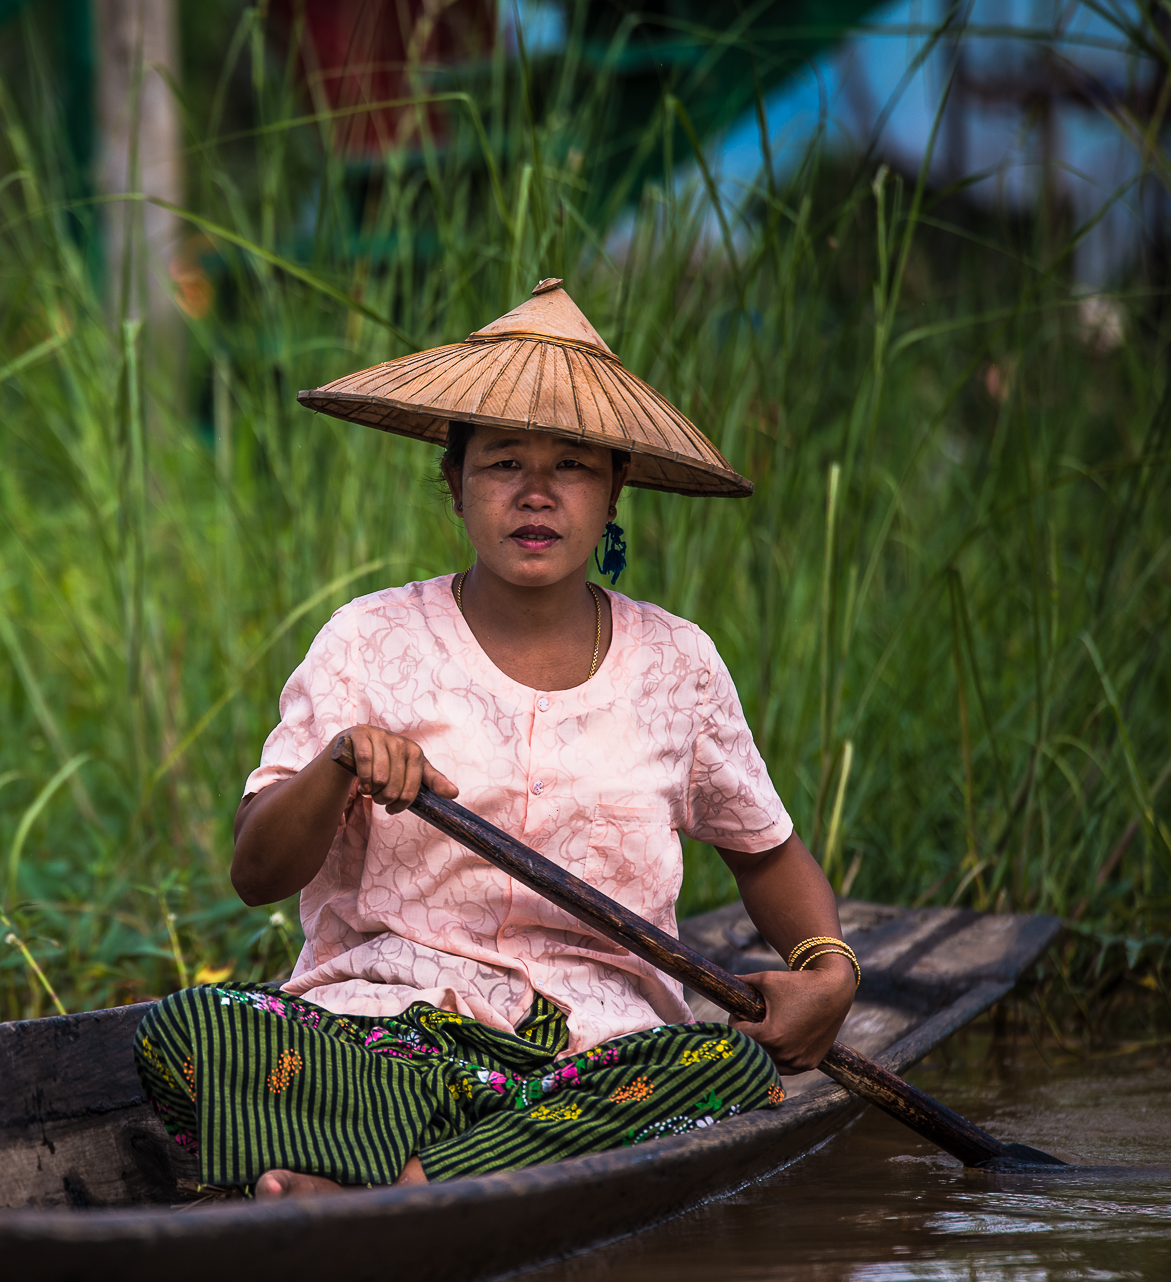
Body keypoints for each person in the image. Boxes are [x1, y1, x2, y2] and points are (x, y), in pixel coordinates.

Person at [134, 280, 860, 1198]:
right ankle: (428, 1172)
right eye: (503, 463)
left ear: (615, 490)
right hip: (383, 1039)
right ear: (455, 482)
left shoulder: (678, 662)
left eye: (573, 467)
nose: (536, 495)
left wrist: (829, 971)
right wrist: (340, 764)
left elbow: (766, 855)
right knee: (193, 1026)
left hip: (590, 1059)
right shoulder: (368, 640)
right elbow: (254, 875)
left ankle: (383, 1185)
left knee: (728, 1075)